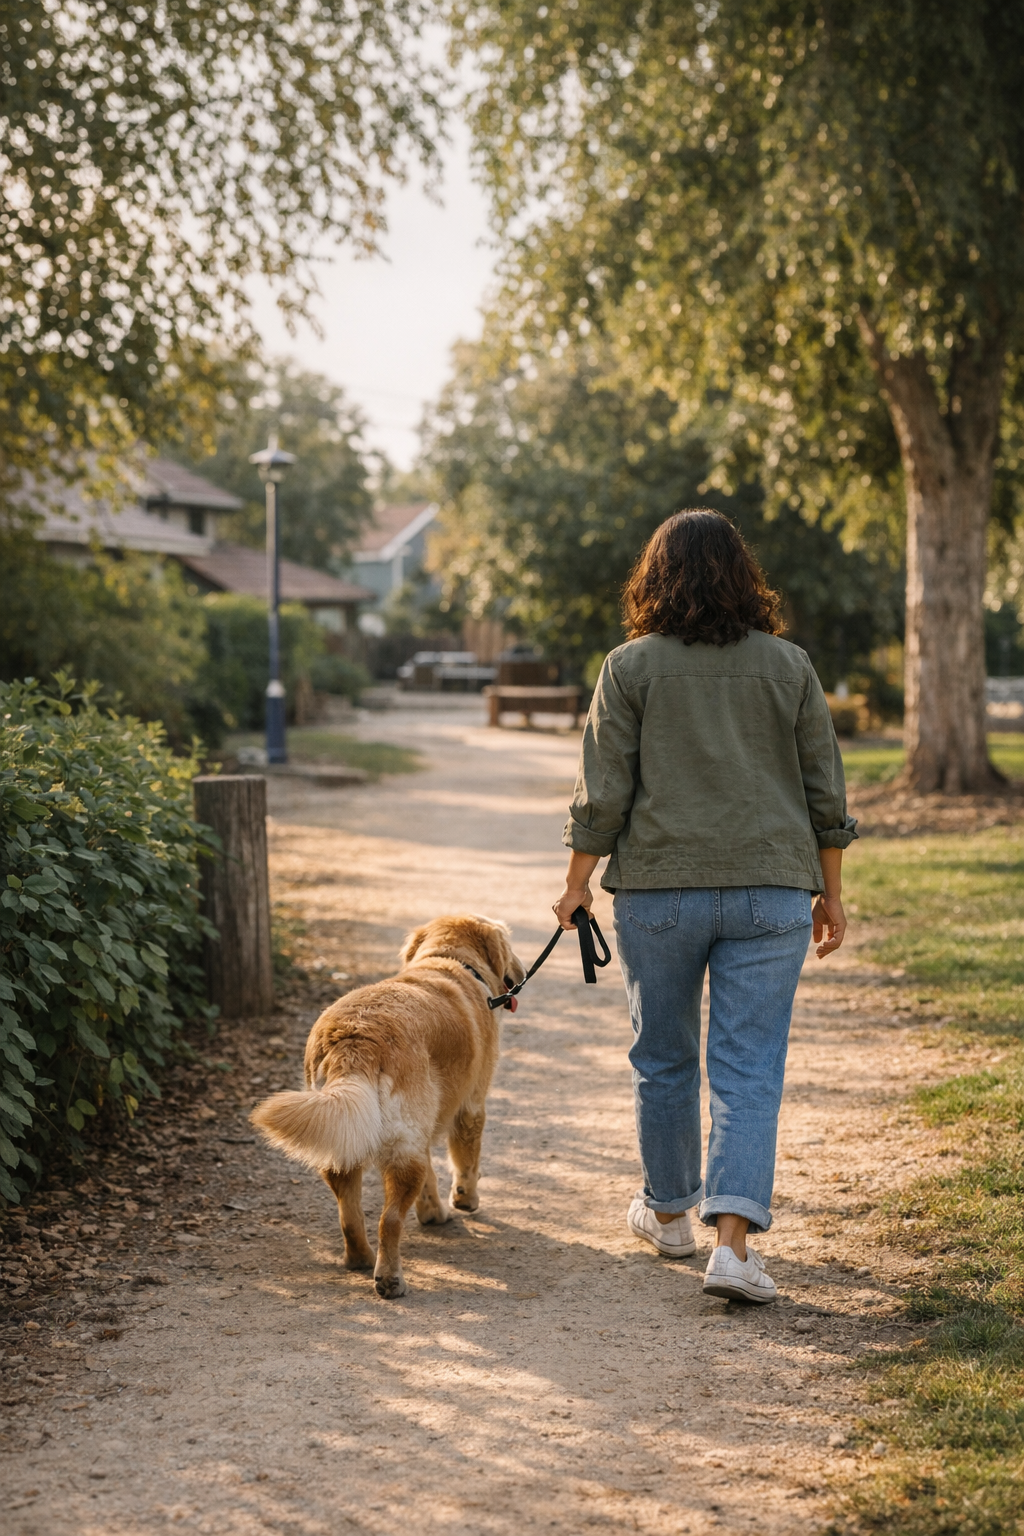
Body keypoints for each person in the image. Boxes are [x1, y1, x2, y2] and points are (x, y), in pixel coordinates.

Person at [552, 509, 856, 1303]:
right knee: (748, 1067)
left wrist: (578, 882)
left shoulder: (629, 667)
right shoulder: (789, 666)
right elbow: (826, 789)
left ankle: (670, 1215)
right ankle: (733, 1247)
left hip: (659, 892)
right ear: (742, 575)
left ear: (654, 578)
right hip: (772, 891)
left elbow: (604, 790)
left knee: (662, 1057)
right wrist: (831, 891)